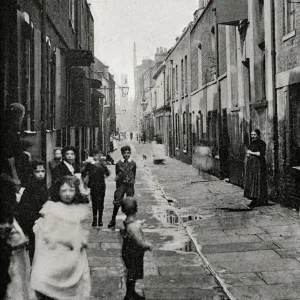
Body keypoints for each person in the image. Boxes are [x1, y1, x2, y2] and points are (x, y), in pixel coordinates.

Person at [31, 175, 91, 300]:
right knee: (48, 281)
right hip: (56, 251)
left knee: (75, 285)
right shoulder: (52, 208)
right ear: (58, 191)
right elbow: (48, 232)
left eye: (71, 190)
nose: (67, 194)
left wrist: (81, 241)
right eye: (64, 191)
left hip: (74, 253)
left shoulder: (79, 210)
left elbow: (82, 230)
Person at [0, 103, 26, 300]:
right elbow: (9, 157)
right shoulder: (10, 130)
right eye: (21, 115)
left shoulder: (10, 128)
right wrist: (15, 176)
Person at [15, 161, 48, 263]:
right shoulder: (32, 186)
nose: (41, 174)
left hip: (40, 221)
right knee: (35, 248)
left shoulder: (42, 185)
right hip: (33, 222)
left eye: (42, 171)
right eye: (37, 171)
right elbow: (27, 208)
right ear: (32, 173)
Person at [120, 197, 152, 300]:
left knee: (130, 271)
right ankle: (129, 294)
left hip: (126, 251)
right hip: (134, 253)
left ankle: (131, 292)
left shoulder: (125, 224)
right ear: (136, 209)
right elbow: (139, 241)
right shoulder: (134, 226)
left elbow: (122, 234)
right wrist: (147, 245)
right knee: (132, 273)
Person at [108, 146, 136, 229]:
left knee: (129, 203)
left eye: (128, 153)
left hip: (130, 185)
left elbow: (134, 175)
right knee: (117, 202)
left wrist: (132, 185)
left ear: (130, 153)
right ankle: (113, 220)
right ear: (122, 154)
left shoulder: (133, 164)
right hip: (121, 185)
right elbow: (117, 175)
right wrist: (117, 189)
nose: (126, 155)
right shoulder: (118, 163)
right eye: (124, 153)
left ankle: (129, 220)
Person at [82, 148, 110, 227]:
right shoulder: (89, 164)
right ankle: (95, 219)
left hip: (101, 185)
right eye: (95, 155)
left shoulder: (102, 164)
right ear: (92, 155)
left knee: (101, 202)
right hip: (93, 186)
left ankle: (100, 219)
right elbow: (83, 173)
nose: (96, 156)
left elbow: (107, 173)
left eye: (98, 154)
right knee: (94, 202)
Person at [244, 129, 268, 208]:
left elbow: (260, 153)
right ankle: (254, 198)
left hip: (259, 165)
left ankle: (260, 199)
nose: (252, 136)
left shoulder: (262, 143)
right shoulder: (252, 143)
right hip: (252, 166)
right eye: (251, 135)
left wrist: (250, 153)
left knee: (258, 181)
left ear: (258, 135)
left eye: (254, 135)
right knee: (253, 181)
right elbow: (249, 152)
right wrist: (248, 154)